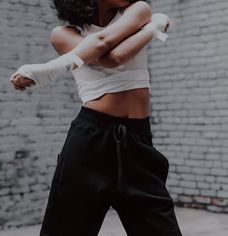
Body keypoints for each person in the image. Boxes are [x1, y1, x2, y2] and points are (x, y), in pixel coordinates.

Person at [10, 0, 182, 235]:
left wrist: (49, 70)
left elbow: (112, 54)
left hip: (138, 144)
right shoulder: (63, 34)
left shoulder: (138, 9)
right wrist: (154, 28)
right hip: (90, 142)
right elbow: (109, 54)